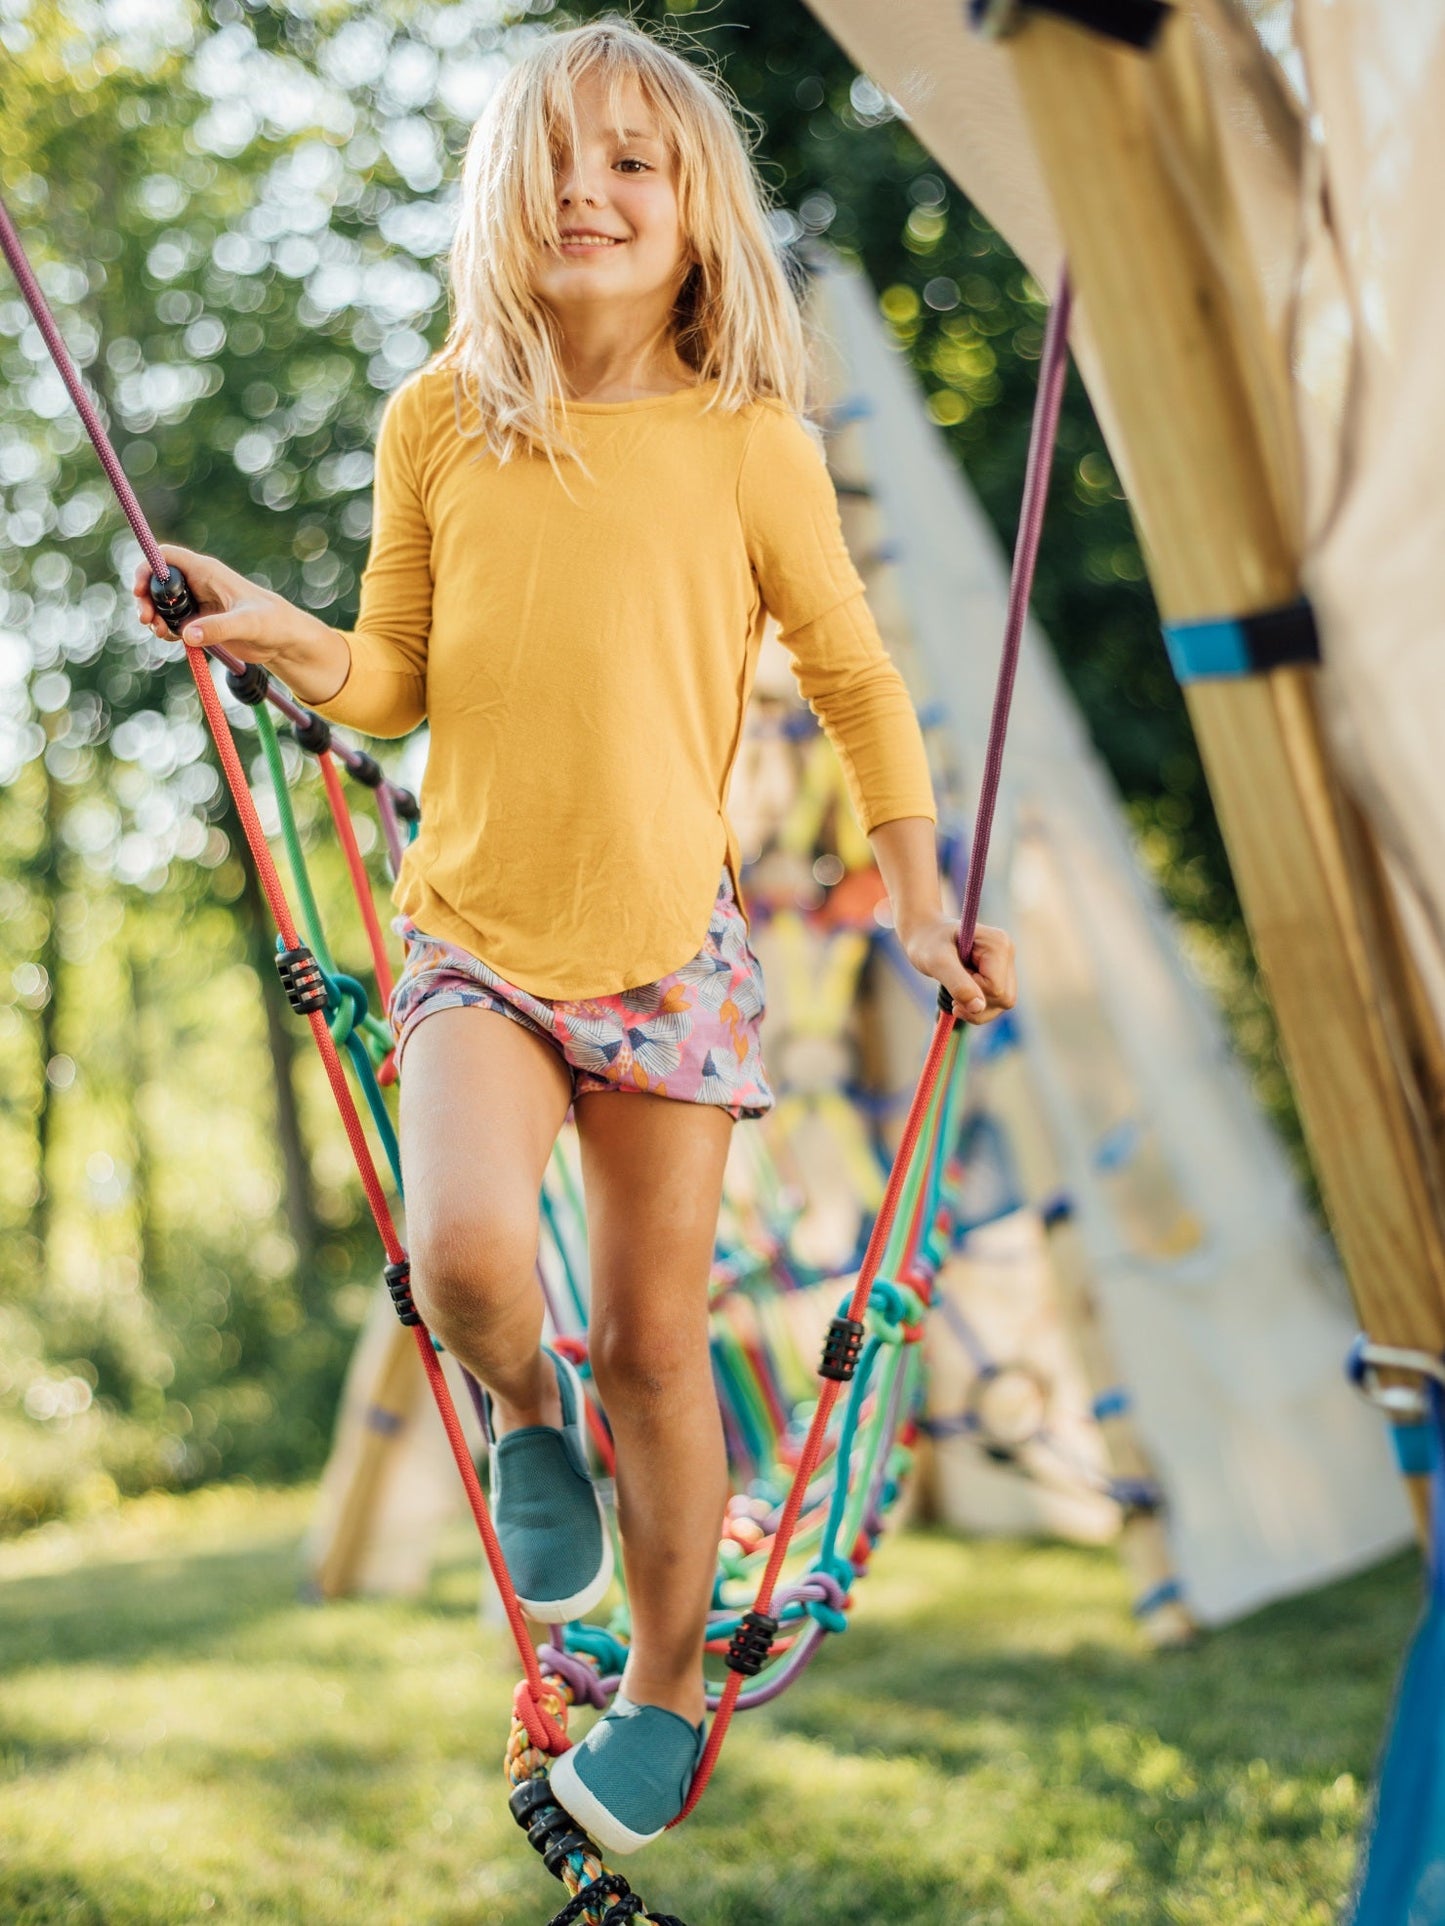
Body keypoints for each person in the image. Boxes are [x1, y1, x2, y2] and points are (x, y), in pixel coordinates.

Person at [132, 16, 1016, 1856]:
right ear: (495, 198)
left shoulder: (746, 440)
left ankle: (669, 1690)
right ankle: (522, 1416)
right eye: (551, 156)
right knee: (465, 1257)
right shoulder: (441, 415)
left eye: (634, 158)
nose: (587, 189)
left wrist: (920, 895)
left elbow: (856, 680)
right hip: (472, 931)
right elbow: (389, 684)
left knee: (657, 1343)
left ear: (698, 211)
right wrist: (271, 628)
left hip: (669, 954)